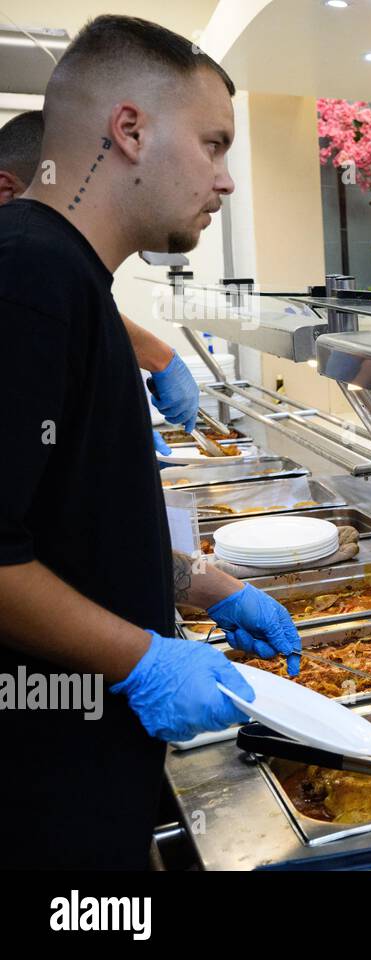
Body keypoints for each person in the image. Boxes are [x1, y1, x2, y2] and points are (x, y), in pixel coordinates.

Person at [0, 15, 301, 869]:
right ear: (129, 130)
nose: (226, 180)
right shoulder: (29, 278)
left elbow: (64, 523)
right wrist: (142, 661)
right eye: (212, 145)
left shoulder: (71, 279)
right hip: (42, 788)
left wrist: (198, 583)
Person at [0, 109, 201, 436]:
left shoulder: (38, 262)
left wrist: (158, 356)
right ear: (6, 190)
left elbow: (70, 302)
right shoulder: (24, 259)